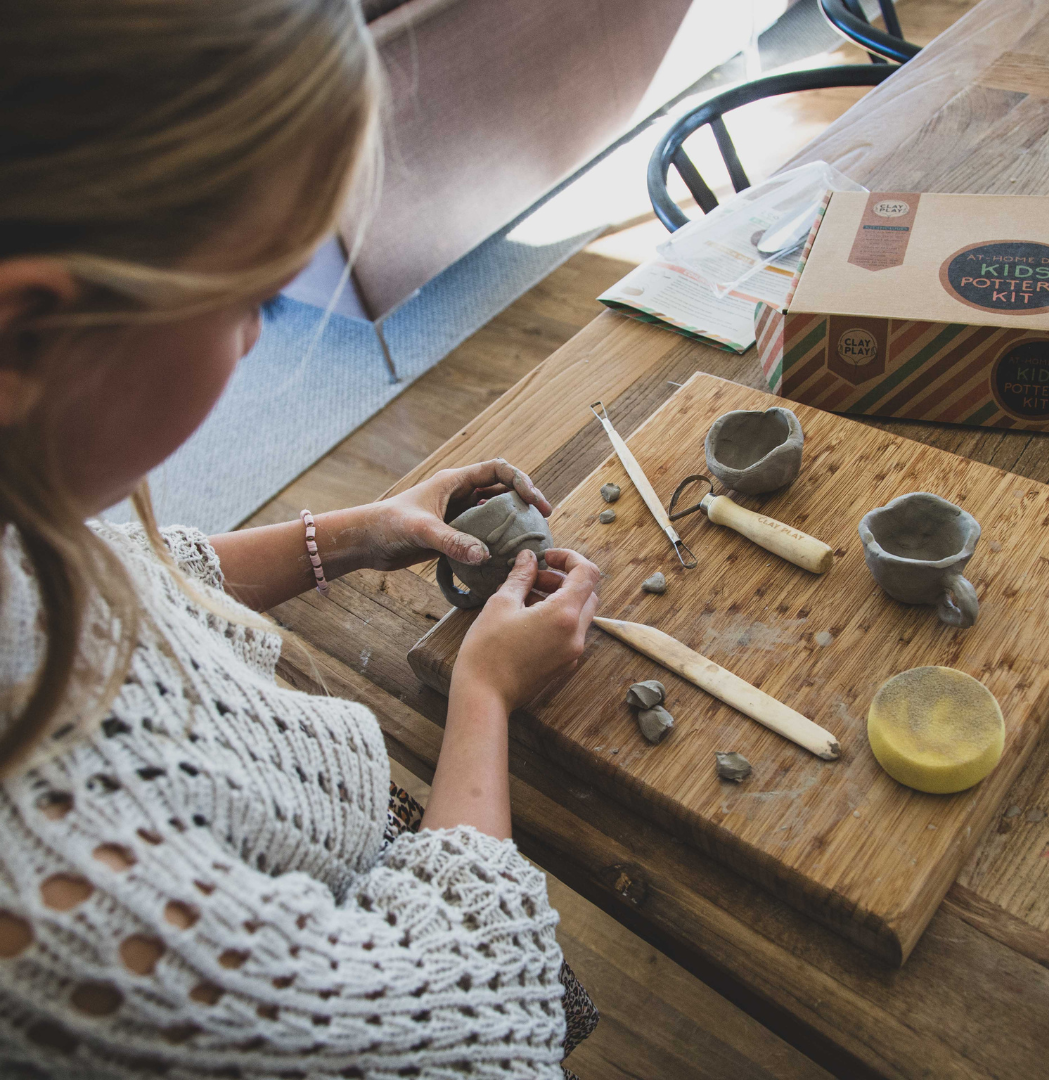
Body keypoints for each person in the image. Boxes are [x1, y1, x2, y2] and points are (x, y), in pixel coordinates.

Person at [0, 2, 601, 1076]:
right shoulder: (62, 906)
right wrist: (484, 698)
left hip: (333, 832)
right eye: (261, 306)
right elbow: (471, 1031)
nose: (253, 342)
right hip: (397, 929)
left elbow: (127, 588)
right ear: (25, 331)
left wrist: (358, 534)